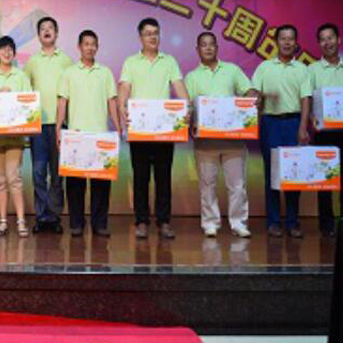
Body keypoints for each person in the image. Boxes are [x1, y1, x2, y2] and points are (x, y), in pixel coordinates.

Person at [118, 17, 189, 240]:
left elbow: (179, 86)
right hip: (139, 130)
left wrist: (187, 106)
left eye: (156, 33)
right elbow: (124, 88)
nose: (153, 37)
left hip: (164, 130)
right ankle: (141, 221)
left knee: (163, 177)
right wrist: (121, 107)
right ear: (140, 37)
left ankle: (164, 221)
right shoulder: (131, 62)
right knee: (140, 177)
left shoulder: (169, 61)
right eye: (148, 33)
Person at [185, 32, 256, 238]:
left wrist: (253, 96)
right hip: (205, 142)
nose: (208, 48)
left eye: (211, 44)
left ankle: (238, 223)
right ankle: (210, 223)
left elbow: (248, 91)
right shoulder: (191, 77)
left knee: (237, 185)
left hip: (233, 140)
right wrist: (190, 121)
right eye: (203, 45)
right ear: (197, 49)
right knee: (207, 184)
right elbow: (187, 106)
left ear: (217, 47)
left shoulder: (232, 70)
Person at [56, 30, 120, 237]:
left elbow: (112, 101)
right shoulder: (69, 73)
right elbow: (62, 101)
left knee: (101, 184)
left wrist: (118, 127)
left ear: (97, 47)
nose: (90, 47)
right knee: (75, 184)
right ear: (79, 47)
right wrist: (58, 128)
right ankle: (76, 223)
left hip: (101, 135)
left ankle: (99, 223)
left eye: (93, 44)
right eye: (86, 44)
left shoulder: (106, 72)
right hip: (76, 135)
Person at [251, 24, 311, 239]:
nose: (287, 42)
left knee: (295, 174)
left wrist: (303, 127)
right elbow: (253, 93)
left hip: (294, 122)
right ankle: (274, 222)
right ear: (276, 42)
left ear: (296, 43)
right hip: (270, 123)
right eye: (283, 38)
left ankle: (293, 222)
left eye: (290, 39)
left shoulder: (302, 69)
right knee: (273, 174)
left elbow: (306, 99)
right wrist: (259, 95)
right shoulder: (264, 67)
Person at [23, 17, 72, 234]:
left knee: (58, 174)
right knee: (38, 172)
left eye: (50, 28)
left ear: (57, 33)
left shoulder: (67, 61)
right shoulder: (32, 62)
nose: (46, 31)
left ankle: (54, 217)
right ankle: (41, 216)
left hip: (61, 125)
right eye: (42, 29)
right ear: (38, 36)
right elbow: (23, 91)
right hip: (38, 127)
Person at [0, 36, 32, 238]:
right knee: (0, 180)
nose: (7, 52)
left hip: (15, 137)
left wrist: (13, 97)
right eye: (3, 48)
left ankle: (21, 221)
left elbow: (29, 104)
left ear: (14, 53)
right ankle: (3, 222)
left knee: (14, 178)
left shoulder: (21, 76)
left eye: (10, 49)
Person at [309, 23, 343, 236]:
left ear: (339, 40)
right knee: (325, 181)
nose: (327, 42)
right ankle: (326, 226)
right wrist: (310, 119)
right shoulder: (312, 70)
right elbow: (307, 98)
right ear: (319, 44)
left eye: (330, 38)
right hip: (324, 133)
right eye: (323, 39)